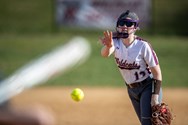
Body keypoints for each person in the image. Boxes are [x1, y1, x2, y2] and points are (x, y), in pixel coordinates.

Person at [100, 10, 163, 125]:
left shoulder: (143, 45)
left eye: (129, 24)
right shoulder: (115, 42)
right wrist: (108, 46)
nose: (125, 26)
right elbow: (104, 54)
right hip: (131, 90)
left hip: (148, 87)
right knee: (146, 122)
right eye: (122, 23)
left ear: (135, 28)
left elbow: (157, 73)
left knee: (148, 122)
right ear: (117, 26)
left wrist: (155, 96)